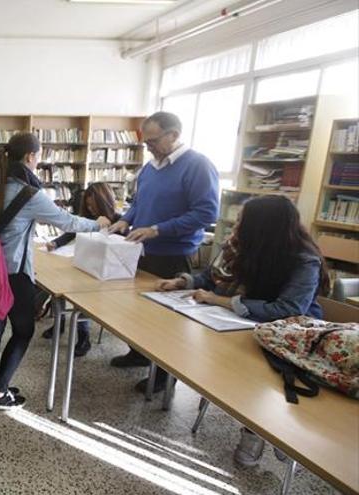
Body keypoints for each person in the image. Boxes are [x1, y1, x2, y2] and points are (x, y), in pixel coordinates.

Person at [155, 195, 329, 467]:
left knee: (258, 371)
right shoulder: (241, 246)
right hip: (235, 325)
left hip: (287, 335)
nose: (235, 229)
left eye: (242, 223)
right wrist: (181, 281)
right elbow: (211, 278)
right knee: (209, 352)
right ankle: (265, 424)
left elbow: (288, 308)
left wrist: (221, 301)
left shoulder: (304, 260)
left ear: (263, 229)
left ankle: (262, 430)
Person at [0, 132, 109, 410]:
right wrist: (99, 223)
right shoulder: (30, 194)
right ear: (30, 157)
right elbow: (67, 222)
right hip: (14, 274)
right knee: (23, 331)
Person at [109, 111, 219, 394]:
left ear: (174, 134)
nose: (149, 147)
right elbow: (138, 202)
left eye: (154, 141)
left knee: (164, 320)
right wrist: (125, 218)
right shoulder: (150, 168)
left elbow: (206, 213)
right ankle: (138, 353)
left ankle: (164, 376)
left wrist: (158, 229)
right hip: (141, 249)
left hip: (173, 253)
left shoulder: (198, 166)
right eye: (146, 143)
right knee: (136, 311)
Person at [41, 182, 122, 356]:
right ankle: (59, 321)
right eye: (87, 205)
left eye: (93, 205)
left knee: (82, 294)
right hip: (85, 265)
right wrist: (56, 243)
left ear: (104, 201)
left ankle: (83, 336)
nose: (90, 209)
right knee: (57, 283)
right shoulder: (88, 219)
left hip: (105, 274)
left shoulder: (119, 221)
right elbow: (71, 232)